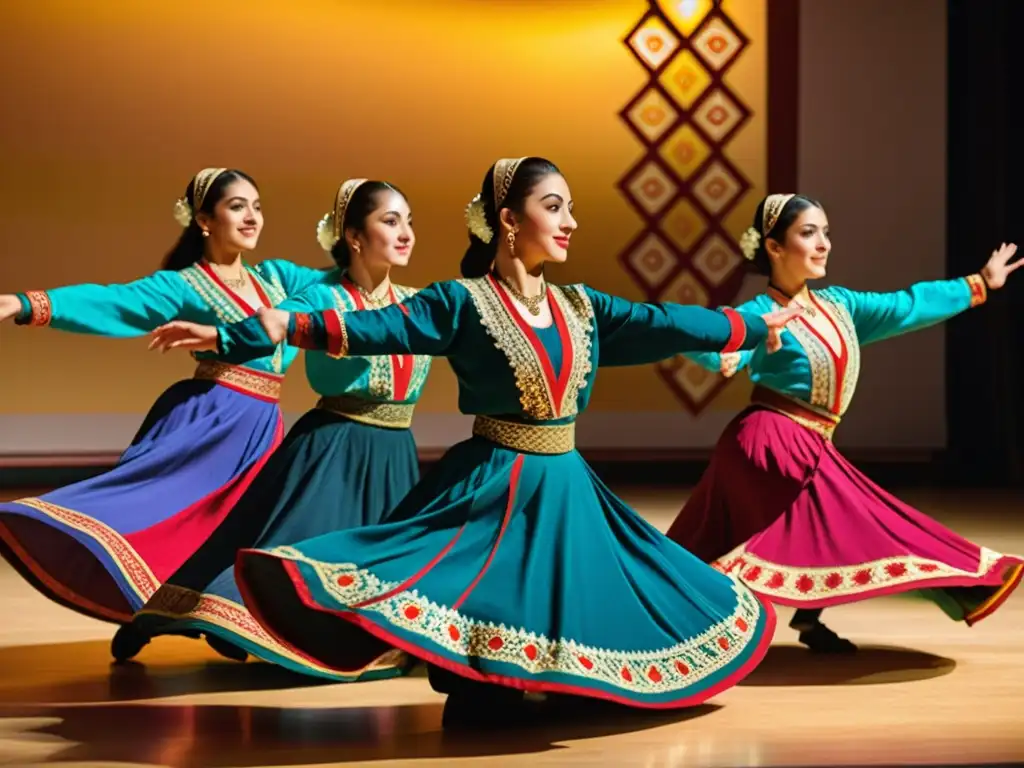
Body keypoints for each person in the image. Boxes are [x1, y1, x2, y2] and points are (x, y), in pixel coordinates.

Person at [151, 157, 800, 722]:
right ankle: (475, 677)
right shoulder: (462, 302)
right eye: (554, 207)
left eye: (570, 208)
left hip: (566, 479)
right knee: (482, 589)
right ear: (509, 221)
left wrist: (744, 326)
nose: (570, 220)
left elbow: (662, 322)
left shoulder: (582, 306)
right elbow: (378, 328)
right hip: (496, 477)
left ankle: (555, 678)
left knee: (587, 592)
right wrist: (278, 325)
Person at [664, 192, 1024, 653]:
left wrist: (978, 284)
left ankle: (784, 622)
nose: (824, 244)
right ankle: (729, 628)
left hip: (808, 440)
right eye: (808, 233)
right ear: (774, 247)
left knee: (821, 524)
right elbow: (705, 340)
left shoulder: (841, 306)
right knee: (845, 518)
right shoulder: (759, 313)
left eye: (826, 233)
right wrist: (735, 333)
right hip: (770, 440)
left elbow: (907, 305)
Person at [111, 179, 431, 679]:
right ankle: (181, 619)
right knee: (282, 563)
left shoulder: (419, 301)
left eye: (409, 221)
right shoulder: (322, 294)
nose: (406, 232)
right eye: (391, 221)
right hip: (336, 449)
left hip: (395, 455)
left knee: (377, 572)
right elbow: (271, 324)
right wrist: (219, 334)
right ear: (353, 235)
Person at [0, 169, 331, 649]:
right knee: (171, 518)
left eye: (257, 206)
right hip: (213, 423)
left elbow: (337, 286)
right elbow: (116, 300)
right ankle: (146, 618)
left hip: (262, 425)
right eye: (237, 206)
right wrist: (24, 303)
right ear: (203, 219)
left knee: (239, 530)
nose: (252, 217)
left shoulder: (279, 278)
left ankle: (212, 619)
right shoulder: (186, 286)